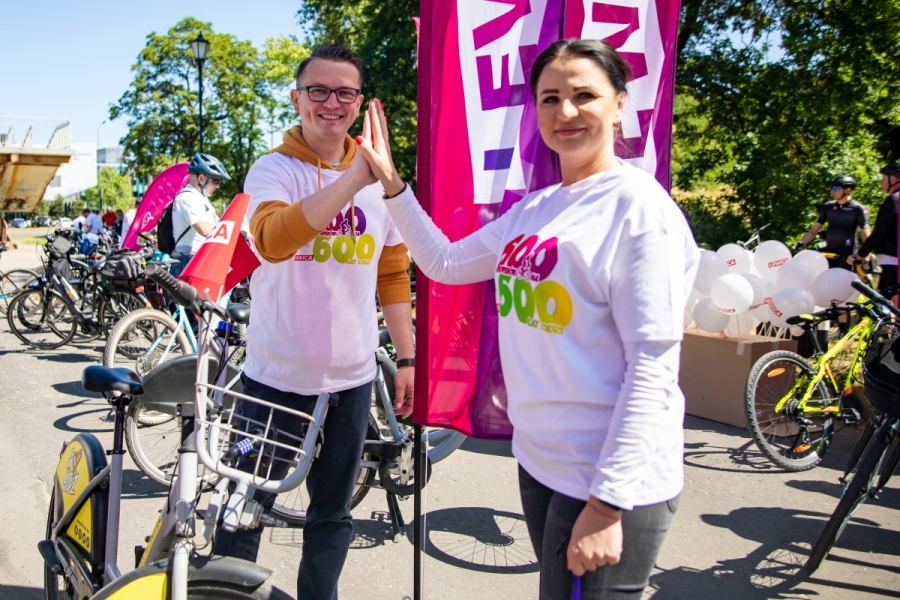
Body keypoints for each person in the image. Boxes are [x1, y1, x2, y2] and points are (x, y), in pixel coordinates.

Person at [355, 39, 699, 599]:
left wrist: (607, 503)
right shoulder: (538, 208)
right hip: (541, 464)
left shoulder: (639, 211)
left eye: (584, 95)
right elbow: (444, 263)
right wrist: (392, 184)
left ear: (619, 104)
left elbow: (653, 367)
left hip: (605, 480)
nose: (566, 111)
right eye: (550, 98)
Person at [212, 44, 415, 600]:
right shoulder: (273, 169)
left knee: (332, 515)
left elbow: (392, 272)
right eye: (318, 90)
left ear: (359, 103)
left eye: (345, 92)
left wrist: (407, 358)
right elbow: (272, 240)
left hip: (350, 383)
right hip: (275, 381)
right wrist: (354, 178)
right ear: (296, 98)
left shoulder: (381, 180)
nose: (331, 103)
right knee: (243, 510)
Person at [169, 153, 230, 276]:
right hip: (188, 262)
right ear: (201, 178)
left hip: (198, 260)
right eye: (216, 181)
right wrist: (230, 231)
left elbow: (218, 225)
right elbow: (205, 229)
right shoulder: (188, 198)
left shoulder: (200, 199)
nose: (218, 186)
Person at [796, 174, 870, 266]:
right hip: (829, 255)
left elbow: (866, 236)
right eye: (832, 188)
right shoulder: (828, 207)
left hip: (848, 257)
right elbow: (813, 231)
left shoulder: (858, 209)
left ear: (847, 190)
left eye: (836, 188)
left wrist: (865, 255)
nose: (832, 191)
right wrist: (801, 243)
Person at [851, 162, 900, 294]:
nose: (881, 182)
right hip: (893, 260)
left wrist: (862, 253)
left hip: (892, 260)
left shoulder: (894, 200)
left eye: (883, 178)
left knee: (892, 300)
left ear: (893, 180)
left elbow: (880, 231)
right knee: (881, 297)